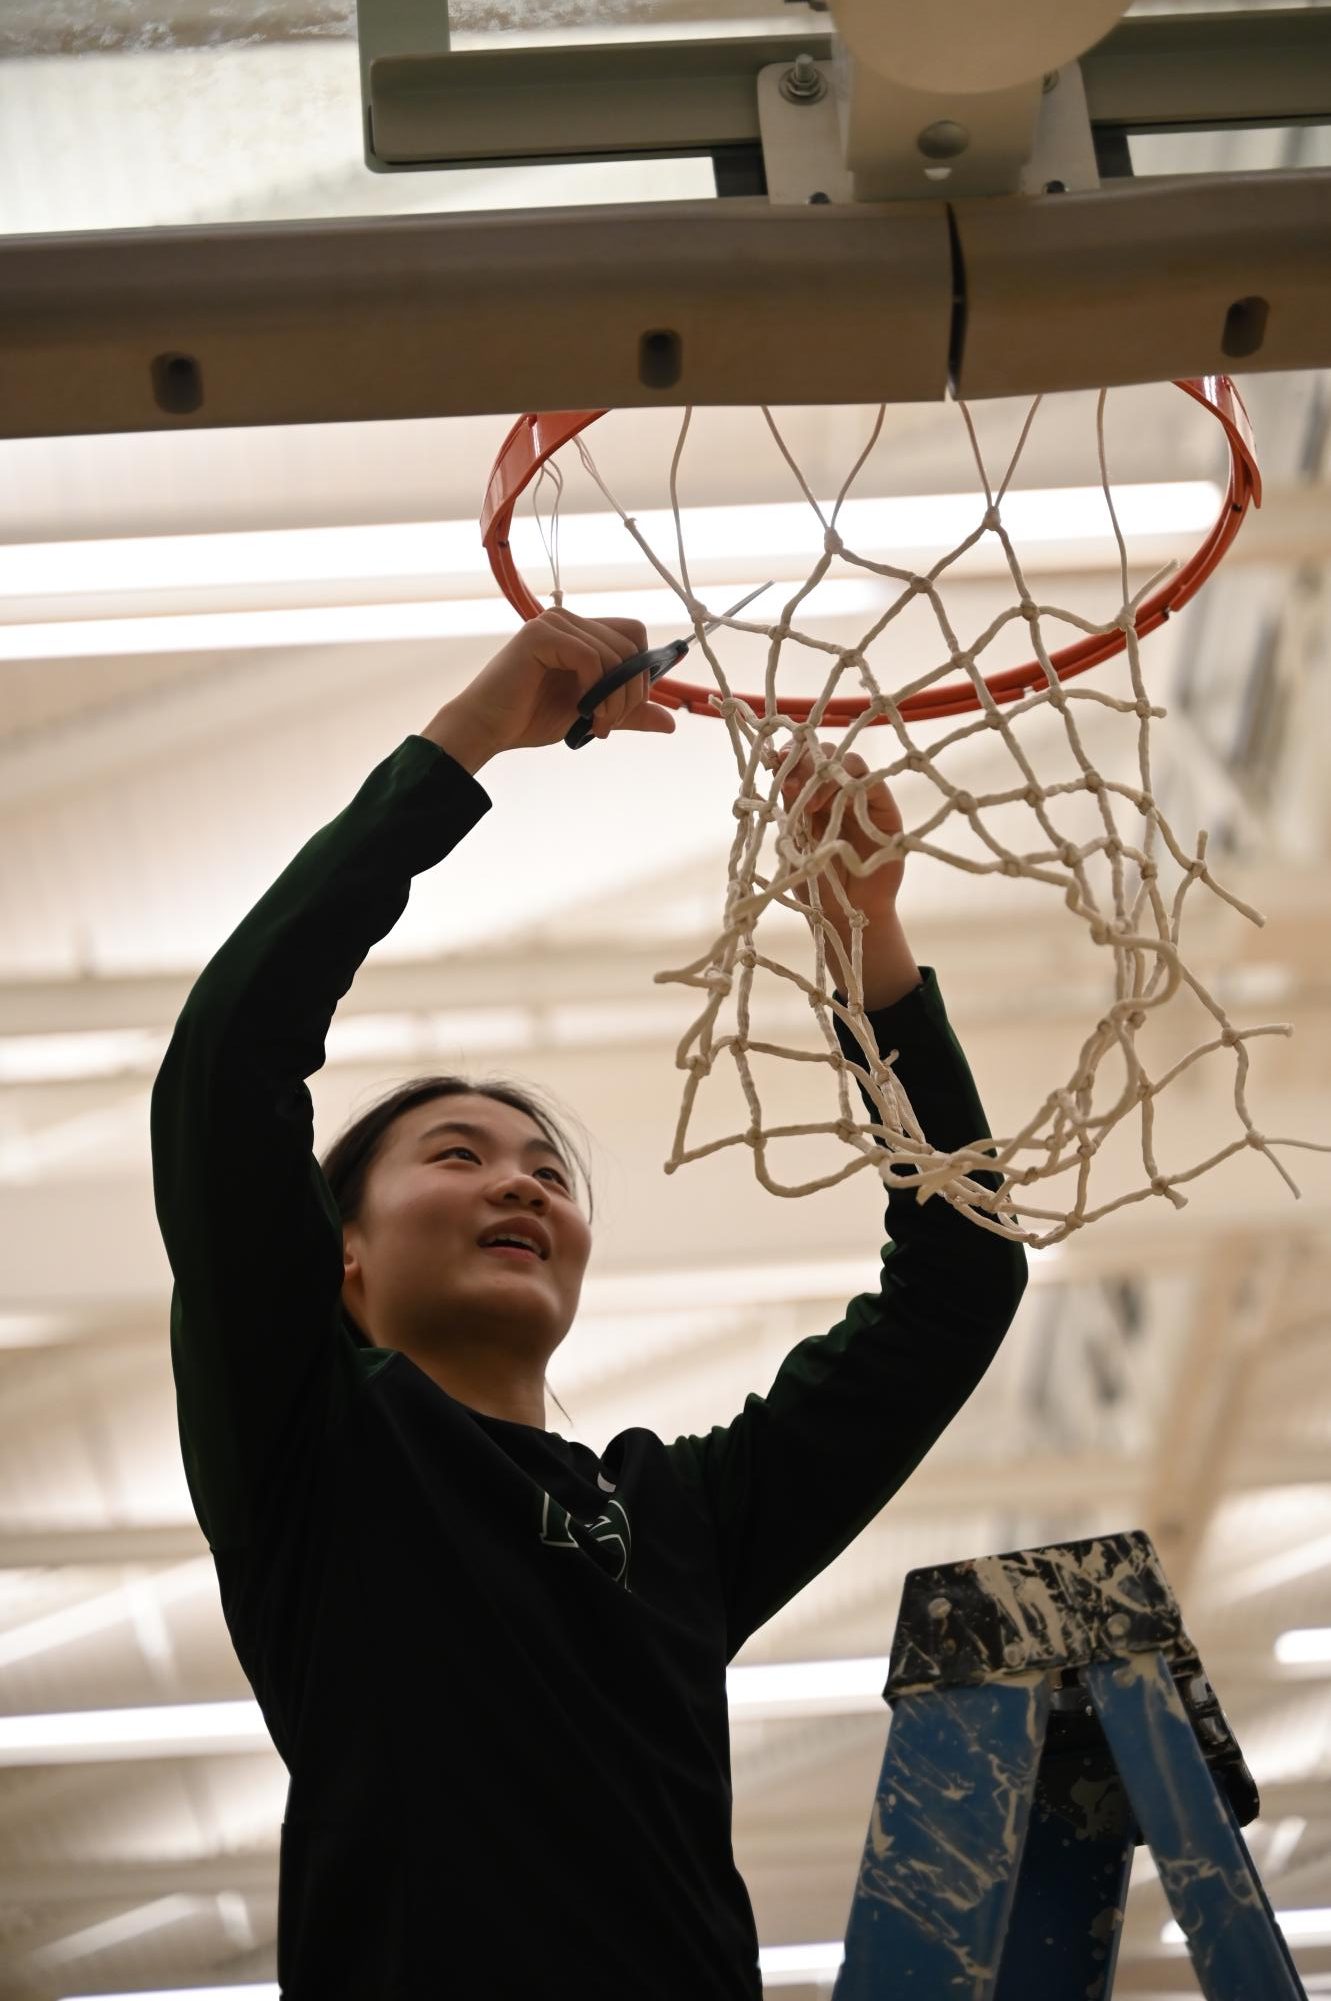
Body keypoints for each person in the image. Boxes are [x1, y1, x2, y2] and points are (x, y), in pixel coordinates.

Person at [150, 607, 1028, 2000]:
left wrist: (868, 938)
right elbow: (229, 1060)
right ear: (342, 1261)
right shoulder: (309, 1449)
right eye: (457, 1155)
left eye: (546, 1169)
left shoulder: (678, 1522)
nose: (520, 1185)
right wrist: (475, 735)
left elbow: (963, 1277)